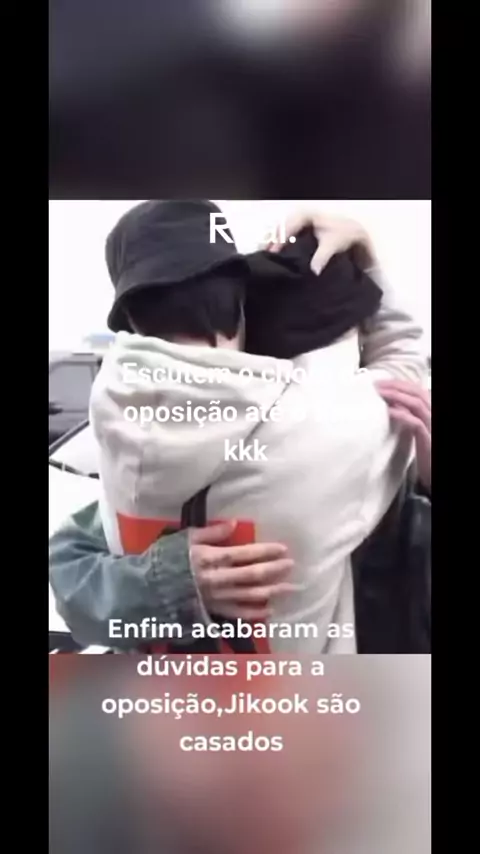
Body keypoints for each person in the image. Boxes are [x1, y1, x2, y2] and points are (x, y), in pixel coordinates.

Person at [84, 200, 425, 654]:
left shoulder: (111, 421)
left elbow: (72, 556)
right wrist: (364, 248)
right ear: (242, 301)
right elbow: (405, 370)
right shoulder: (323, 433)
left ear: (130, 318)